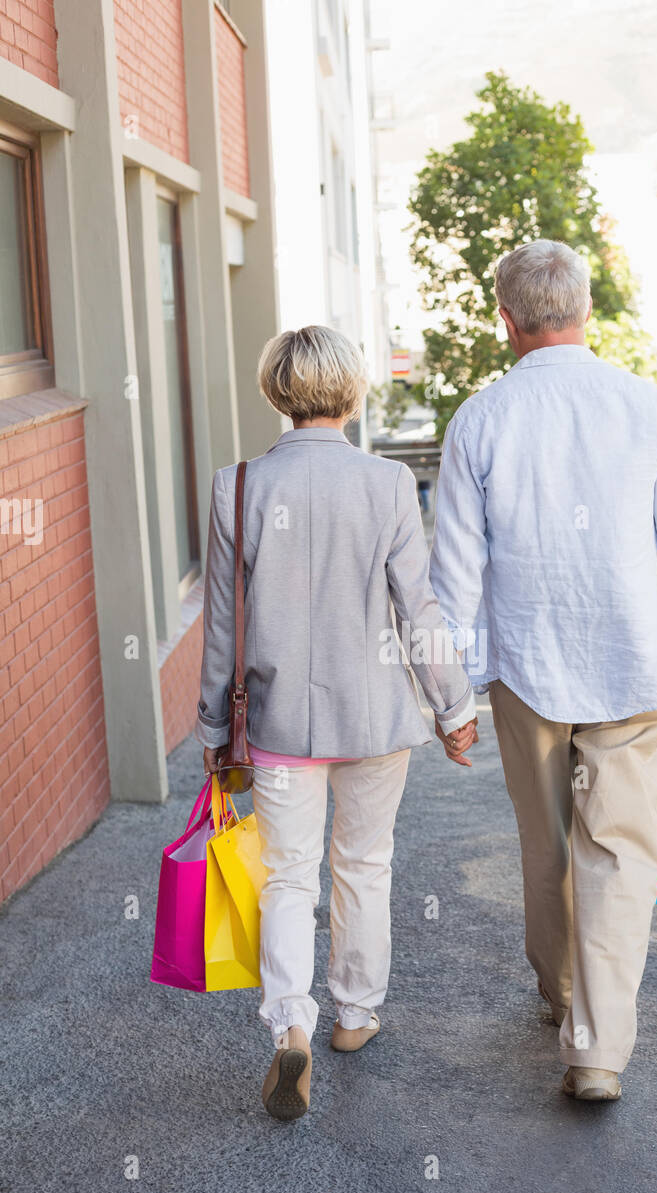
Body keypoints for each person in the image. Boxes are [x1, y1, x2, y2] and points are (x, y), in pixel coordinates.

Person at [430, 240, 657, 1103]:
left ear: (507, 319)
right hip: (635, 666)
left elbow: (451, 581)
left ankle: (560, 994)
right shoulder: (647, 406)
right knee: (620, 855)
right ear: (586, 311)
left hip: (526, 673)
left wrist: (450, 700)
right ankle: (595, 1049)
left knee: (549, 847)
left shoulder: (479, 421)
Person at [197, 325, 477, 1122]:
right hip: (377, 717)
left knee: (287, 875)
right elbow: (417, 609)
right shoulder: (387, 483)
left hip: (280, 719)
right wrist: (453, 706)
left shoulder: (238, 486)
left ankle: (293, 1022)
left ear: (276, 393)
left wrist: (215, 727)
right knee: (364, 863)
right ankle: (355, 1013)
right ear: (351, 394)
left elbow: (223, 621)